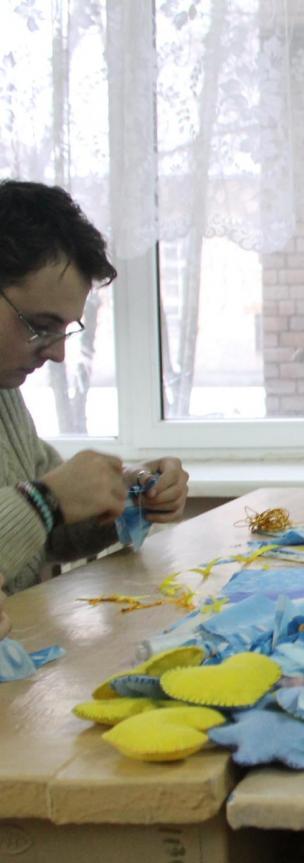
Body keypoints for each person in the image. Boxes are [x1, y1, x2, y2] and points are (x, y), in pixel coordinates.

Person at [0, 179, 189, 594]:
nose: (56, 354)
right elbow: (40, 506)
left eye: (63, 331)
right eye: (40, 326)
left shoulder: (4, 390)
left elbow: (43, 534)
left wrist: (124, 495)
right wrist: (46, 500)